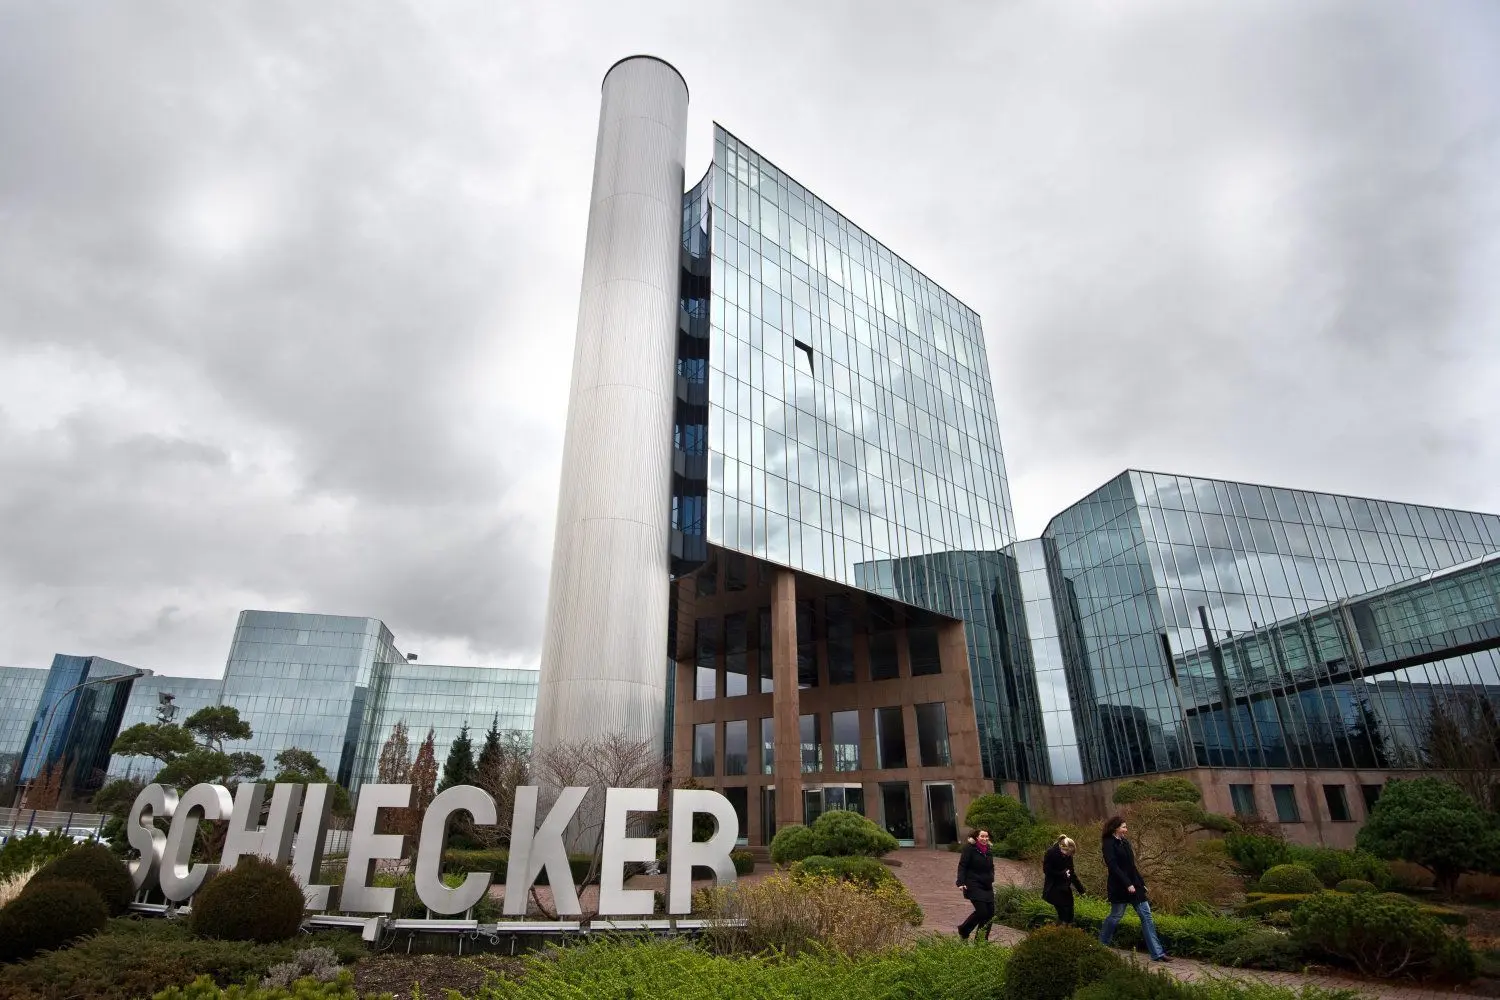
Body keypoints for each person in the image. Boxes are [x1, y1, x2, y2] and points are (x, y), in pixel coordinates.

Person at [1099, 816, 1169, 961]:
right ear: (1115, 828)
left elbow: (1132, 865)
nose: (1126, 829)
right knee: (1115, 916)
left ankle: (1158, 953)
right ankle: (1101, 945)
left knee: (1146, 916)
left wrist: (1141, 883)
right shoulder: (1108, 844)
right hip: (1119, 886)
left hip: (1135, 886)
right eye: (1124, 827)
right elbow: (1113, 866)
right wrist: (1127, 884)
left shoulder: (1125, 842)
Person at [955, 828, 995, 941]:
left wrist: (991, 877)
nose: (985, 839)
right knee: (982, 912)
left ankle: (981, 940)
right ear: (976, 837)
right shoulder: (969, 849)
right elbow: (962, 866)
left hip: (987, 885)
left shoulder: (988, 850)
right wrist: (961, 882)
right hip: (973, 884)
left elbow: (991, 866)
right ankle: (965, 931)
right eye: (982, 836)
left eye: (986, 837)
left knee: (990, 914)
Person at [1042, 834, 1087, 925]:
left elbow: (1072, 874)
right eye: (1068, 853)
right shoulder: (1051, 853)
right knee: (1063, 914)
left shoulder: (1068, 855)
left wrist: (1081, 890)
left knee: (1070, 913)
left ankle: (1065, 931)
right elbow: (1047, 871)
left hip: (1064, 887)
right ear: (1062, 848)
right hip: (1053, 886)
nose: (1069, 856)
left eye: (1070, 854)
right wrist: (1062, 873)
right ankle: (1059, 932)